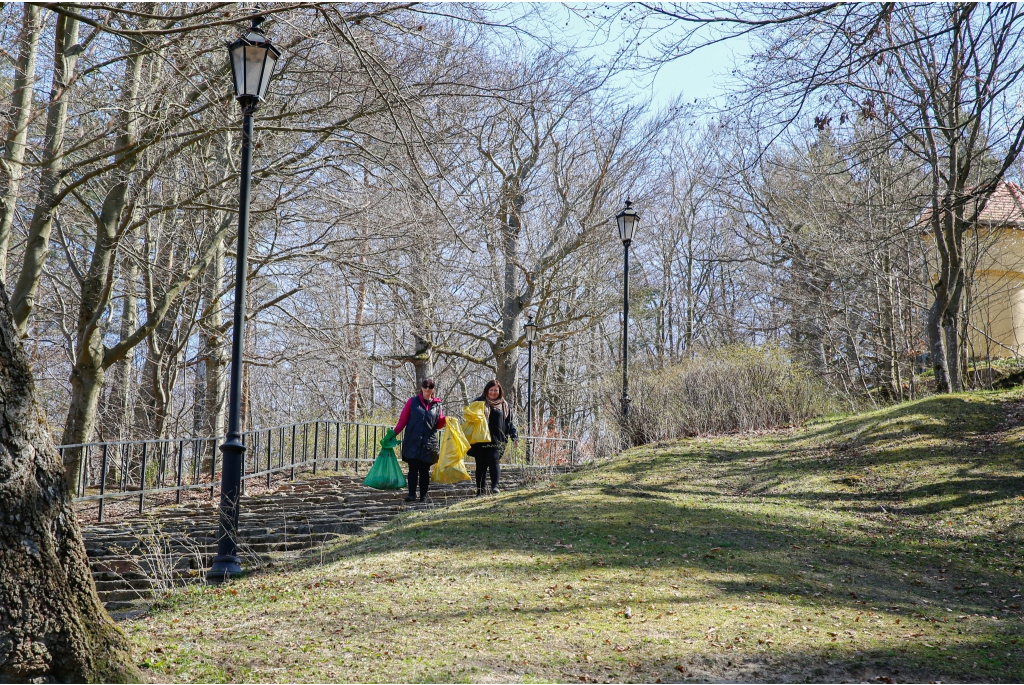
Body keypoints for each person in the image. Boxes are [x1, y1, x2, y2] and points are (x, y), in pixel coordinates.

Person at [393, 378, 446, 502]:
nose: (427, 388)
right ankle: (411, 494)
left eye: (430, 386)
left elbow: (438, 424)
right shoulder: (412, 401)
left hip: (429, 442)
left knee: (424, 471)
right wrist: (394, 434)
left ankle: (423, 496)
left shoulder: (437, 405)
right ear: (421, 387)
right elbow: (403, 420)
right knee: (413, 469)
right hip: (413, 440)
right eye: (425, 386)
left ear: (433, 389)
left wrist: (445, 420)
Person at [468, 380, 518, 495]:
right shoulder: (479, 402)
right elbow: (470, 419)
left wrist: (514, 437)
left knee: (494, 459)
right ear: (487, 390)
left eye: (496, 390)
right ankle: (480, 491)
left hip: (497, 440)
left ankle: (495, 487)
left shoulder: (504, 405)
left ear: (500, 391)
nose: (493, 392)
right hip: (480, 440)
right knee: (481, 464)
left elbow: (509, 424)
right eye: (491, 390)